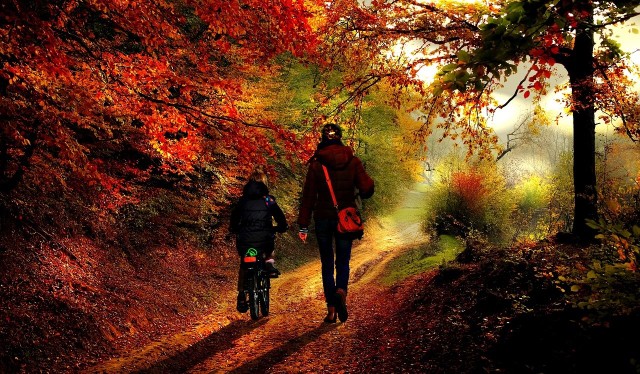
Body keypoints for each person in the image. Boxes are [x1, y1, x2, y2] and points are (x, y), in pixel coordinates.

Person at [297, 124, 374, 323]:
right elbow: (366, 189)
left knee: (326, 264)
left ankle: (331, 310)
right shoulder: (353, 161)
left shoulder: (316, 164)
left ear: (323, 139)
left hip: (323, 219)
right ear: (340, 138)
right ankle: (341, 291)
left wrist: (303, 225)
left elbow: (308, 198)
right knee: (342, 262)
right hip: (345, 219)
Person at [230, 165, 288, 313]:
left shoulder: (243, 201)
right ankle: (269, 264)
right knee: (269, 249)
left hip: (245, 239)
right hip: (264, 239)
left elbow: (234, 219)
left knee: (244, 262)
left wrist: (234, 229)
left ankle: (242, 294)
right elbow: (281, 219)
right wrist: (280, 227)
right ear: (264, 182)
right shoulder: (269, 200)